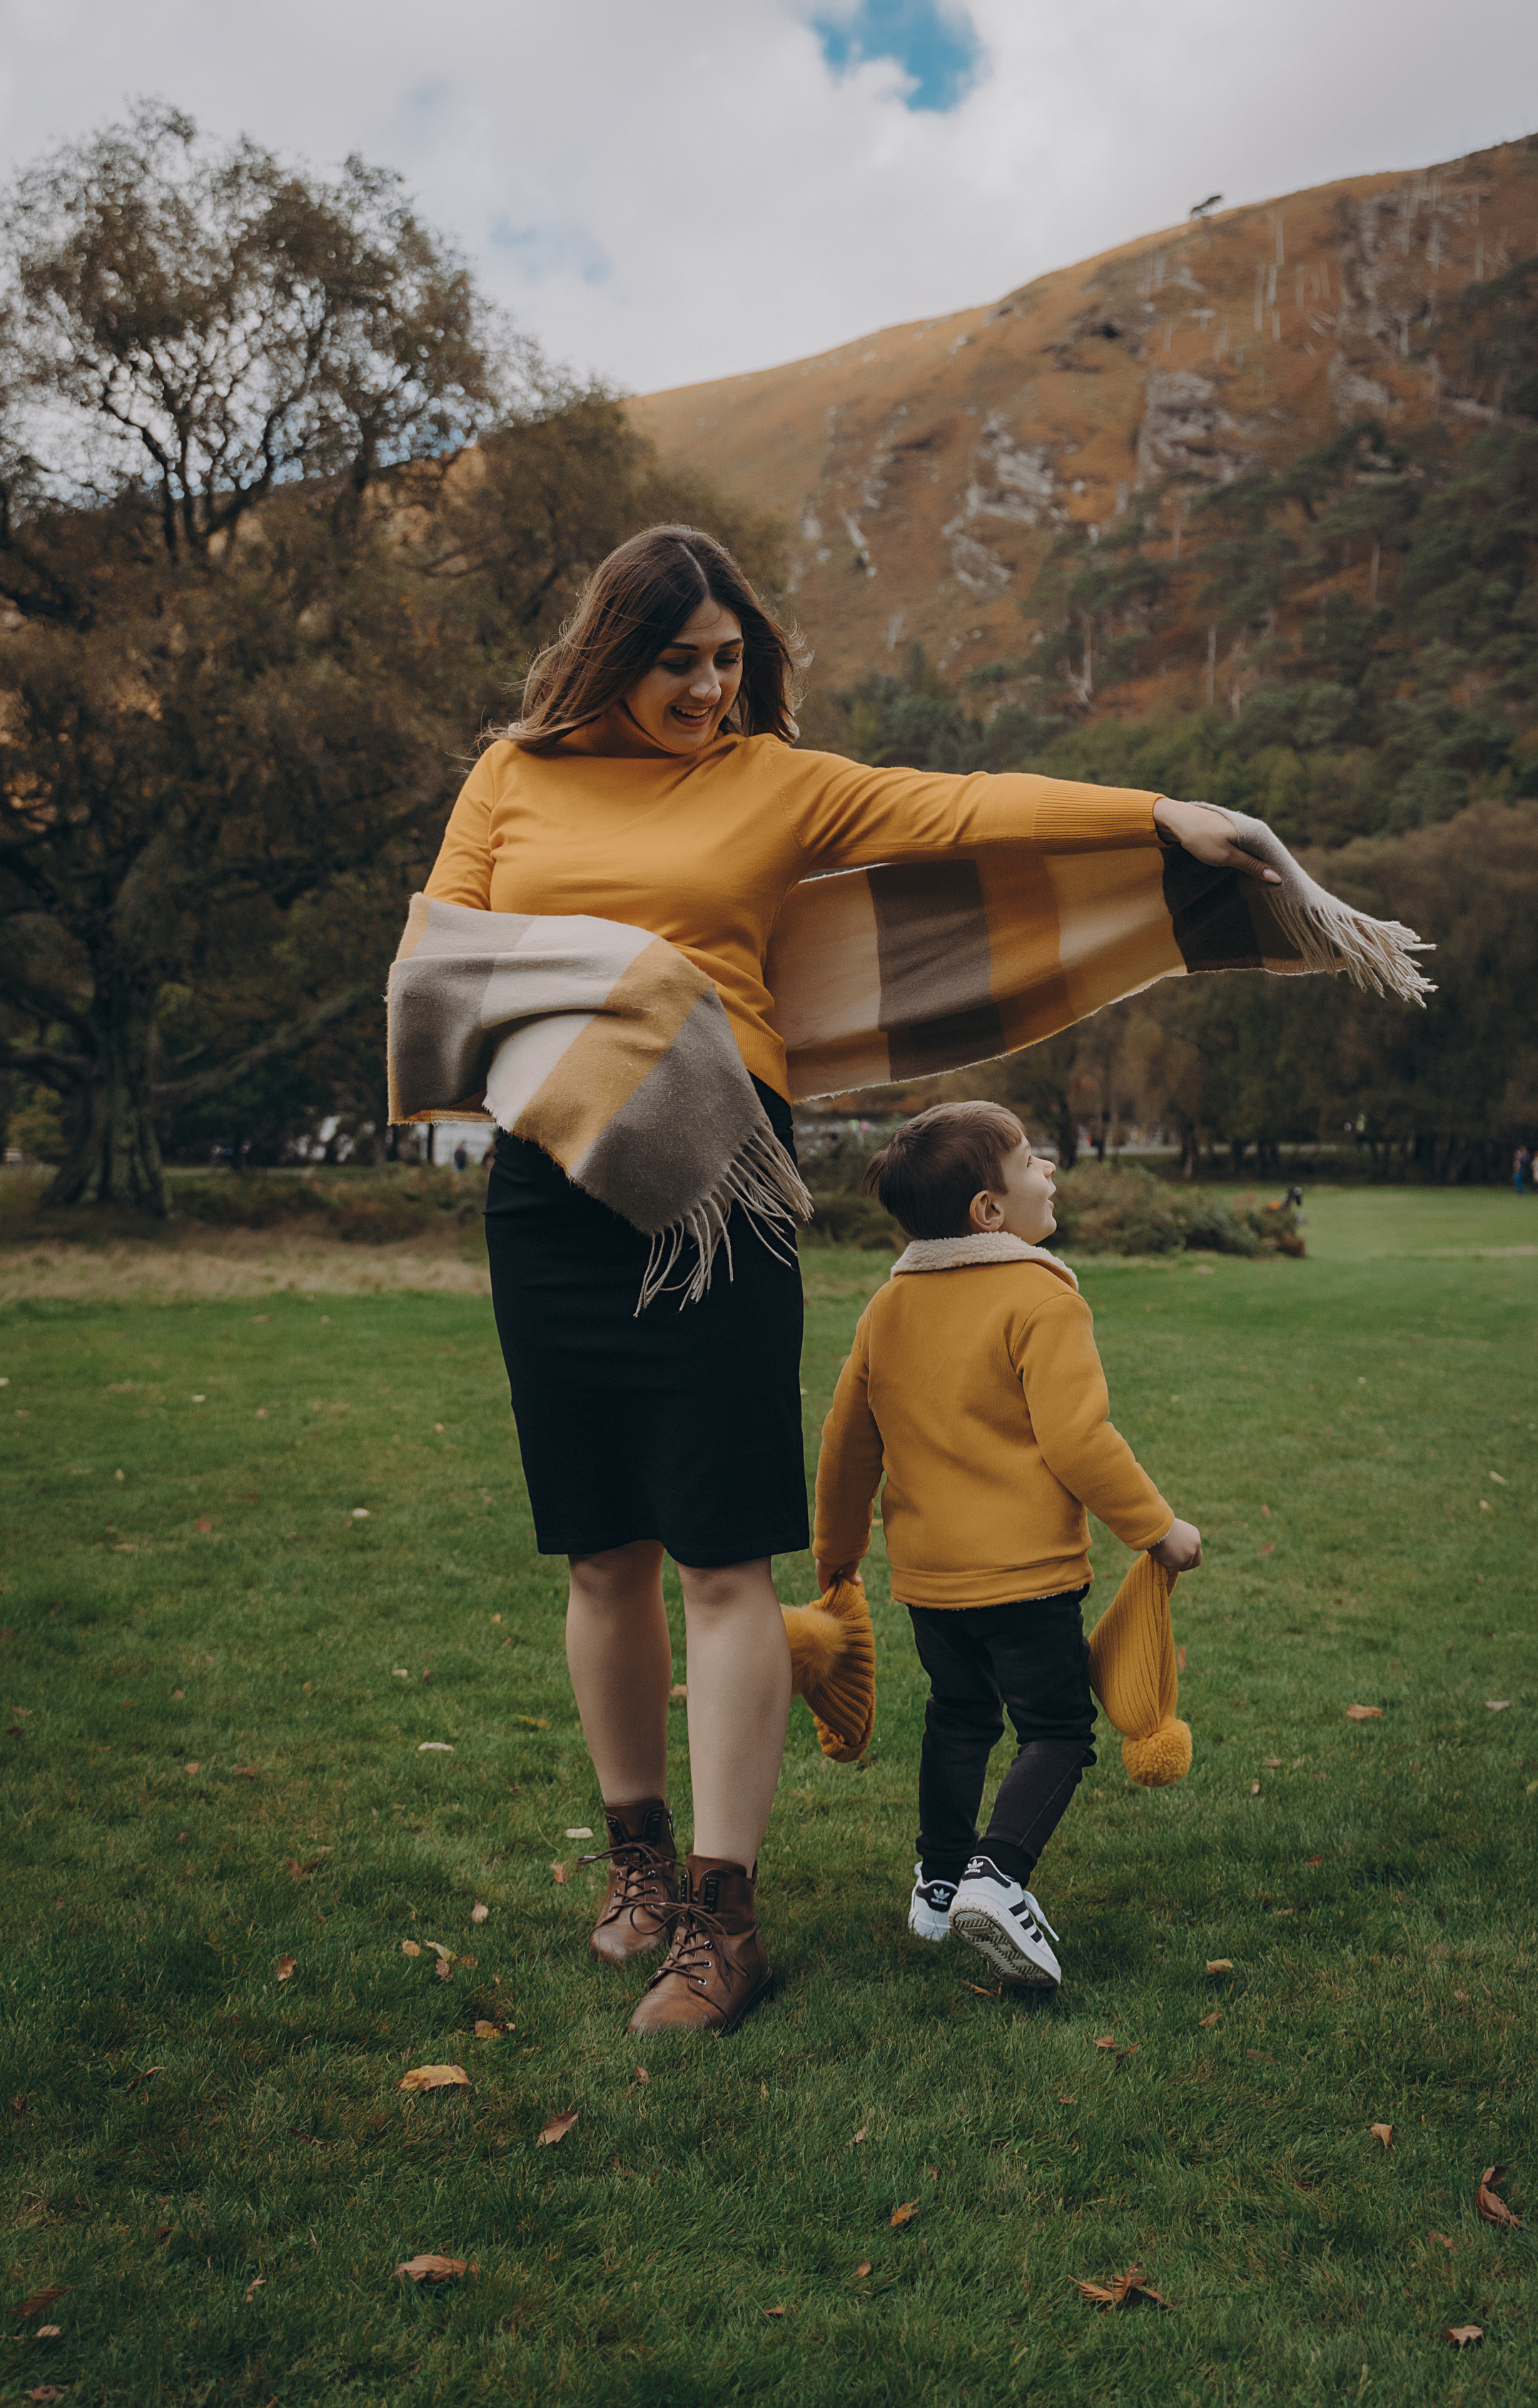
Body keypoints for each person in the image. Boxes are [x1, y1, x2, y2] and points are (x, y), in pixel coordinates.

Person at [423, 525, 1269, 2035]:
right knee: (600, 1555)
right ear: (610, 657)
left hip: (721, 1188)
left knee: (719, 1559)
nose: (706, 689)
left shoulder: (774, 779)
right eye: (676, 663)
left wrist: (1157, 813)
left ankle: (725, 1917)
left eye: (727, 661)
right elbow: (446, 962)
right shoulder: (510, 775)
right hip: (549, 1193)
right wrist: (605, 1003)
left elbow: (963, 809)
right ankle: (636, 1867)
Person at [813, 1100, 1203, 1989]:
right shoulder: (1040, 1297)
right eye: (1031, 1161)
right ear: (989, 1211)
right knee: (1057, 1730)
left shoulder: (886, 1307)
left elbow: (846, 1444)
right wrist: (1157, 1528)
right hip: (1026, 1577)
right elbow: (1078, 1439)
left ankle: (938, 1883)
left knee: (958, 1718)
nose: (1049, 1171)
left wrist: (836, 1553)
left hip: (929, 1582)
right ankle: (996, 1876)